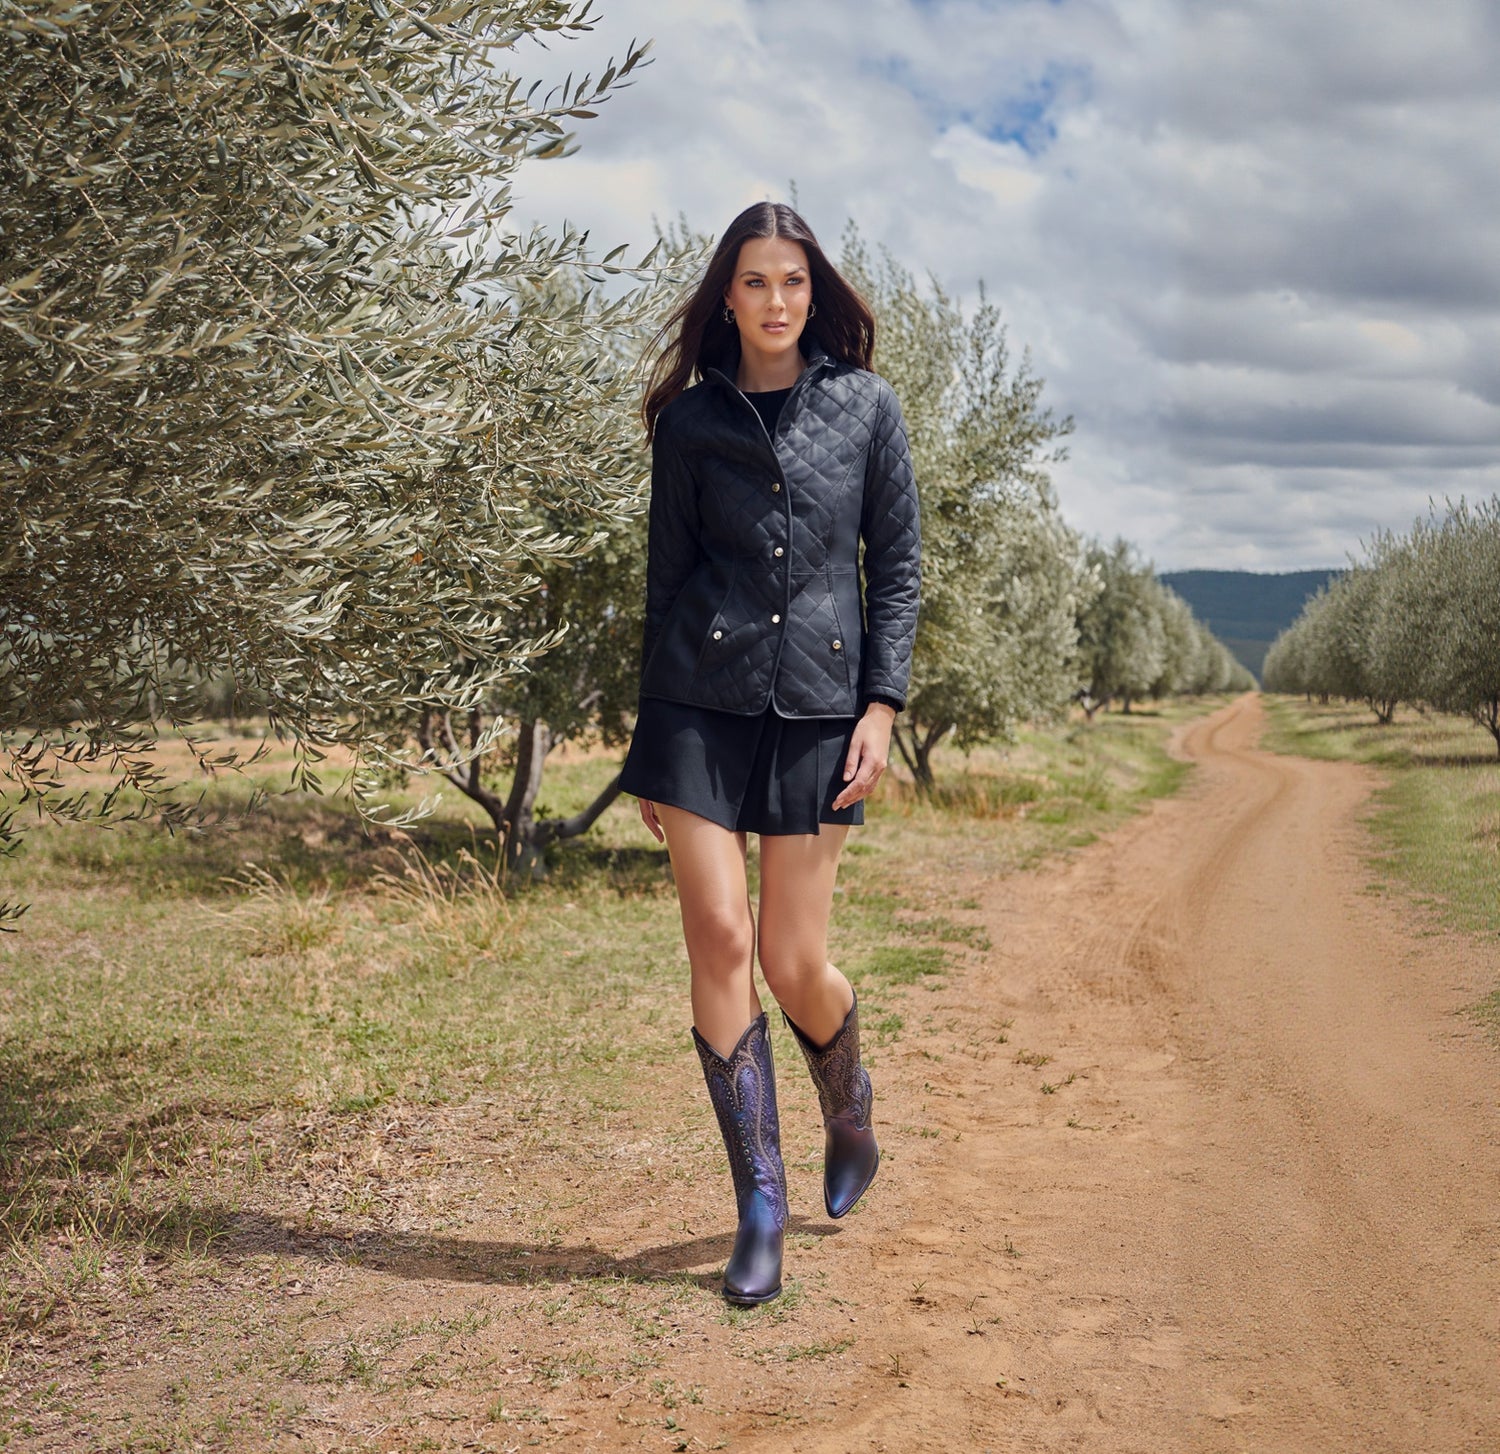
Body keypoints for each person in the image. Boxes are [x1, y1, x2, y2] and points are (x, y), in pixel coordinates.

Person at [620, 201, 920, 1306]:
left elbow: (896, 569)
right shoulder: (691, 426)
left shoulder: (868, 408)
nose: (776, 301)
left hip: (819, 709)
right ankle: (759, 1201)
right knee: (720, 931)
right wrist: (651, 728)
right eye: (755, 282)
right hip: (699, 702)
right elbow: (663, 581)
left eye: (793, 281)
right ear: (728, 295)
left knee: (795, 961)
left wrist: (879, 707)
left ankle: (850, 1104)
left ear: (816, 290)